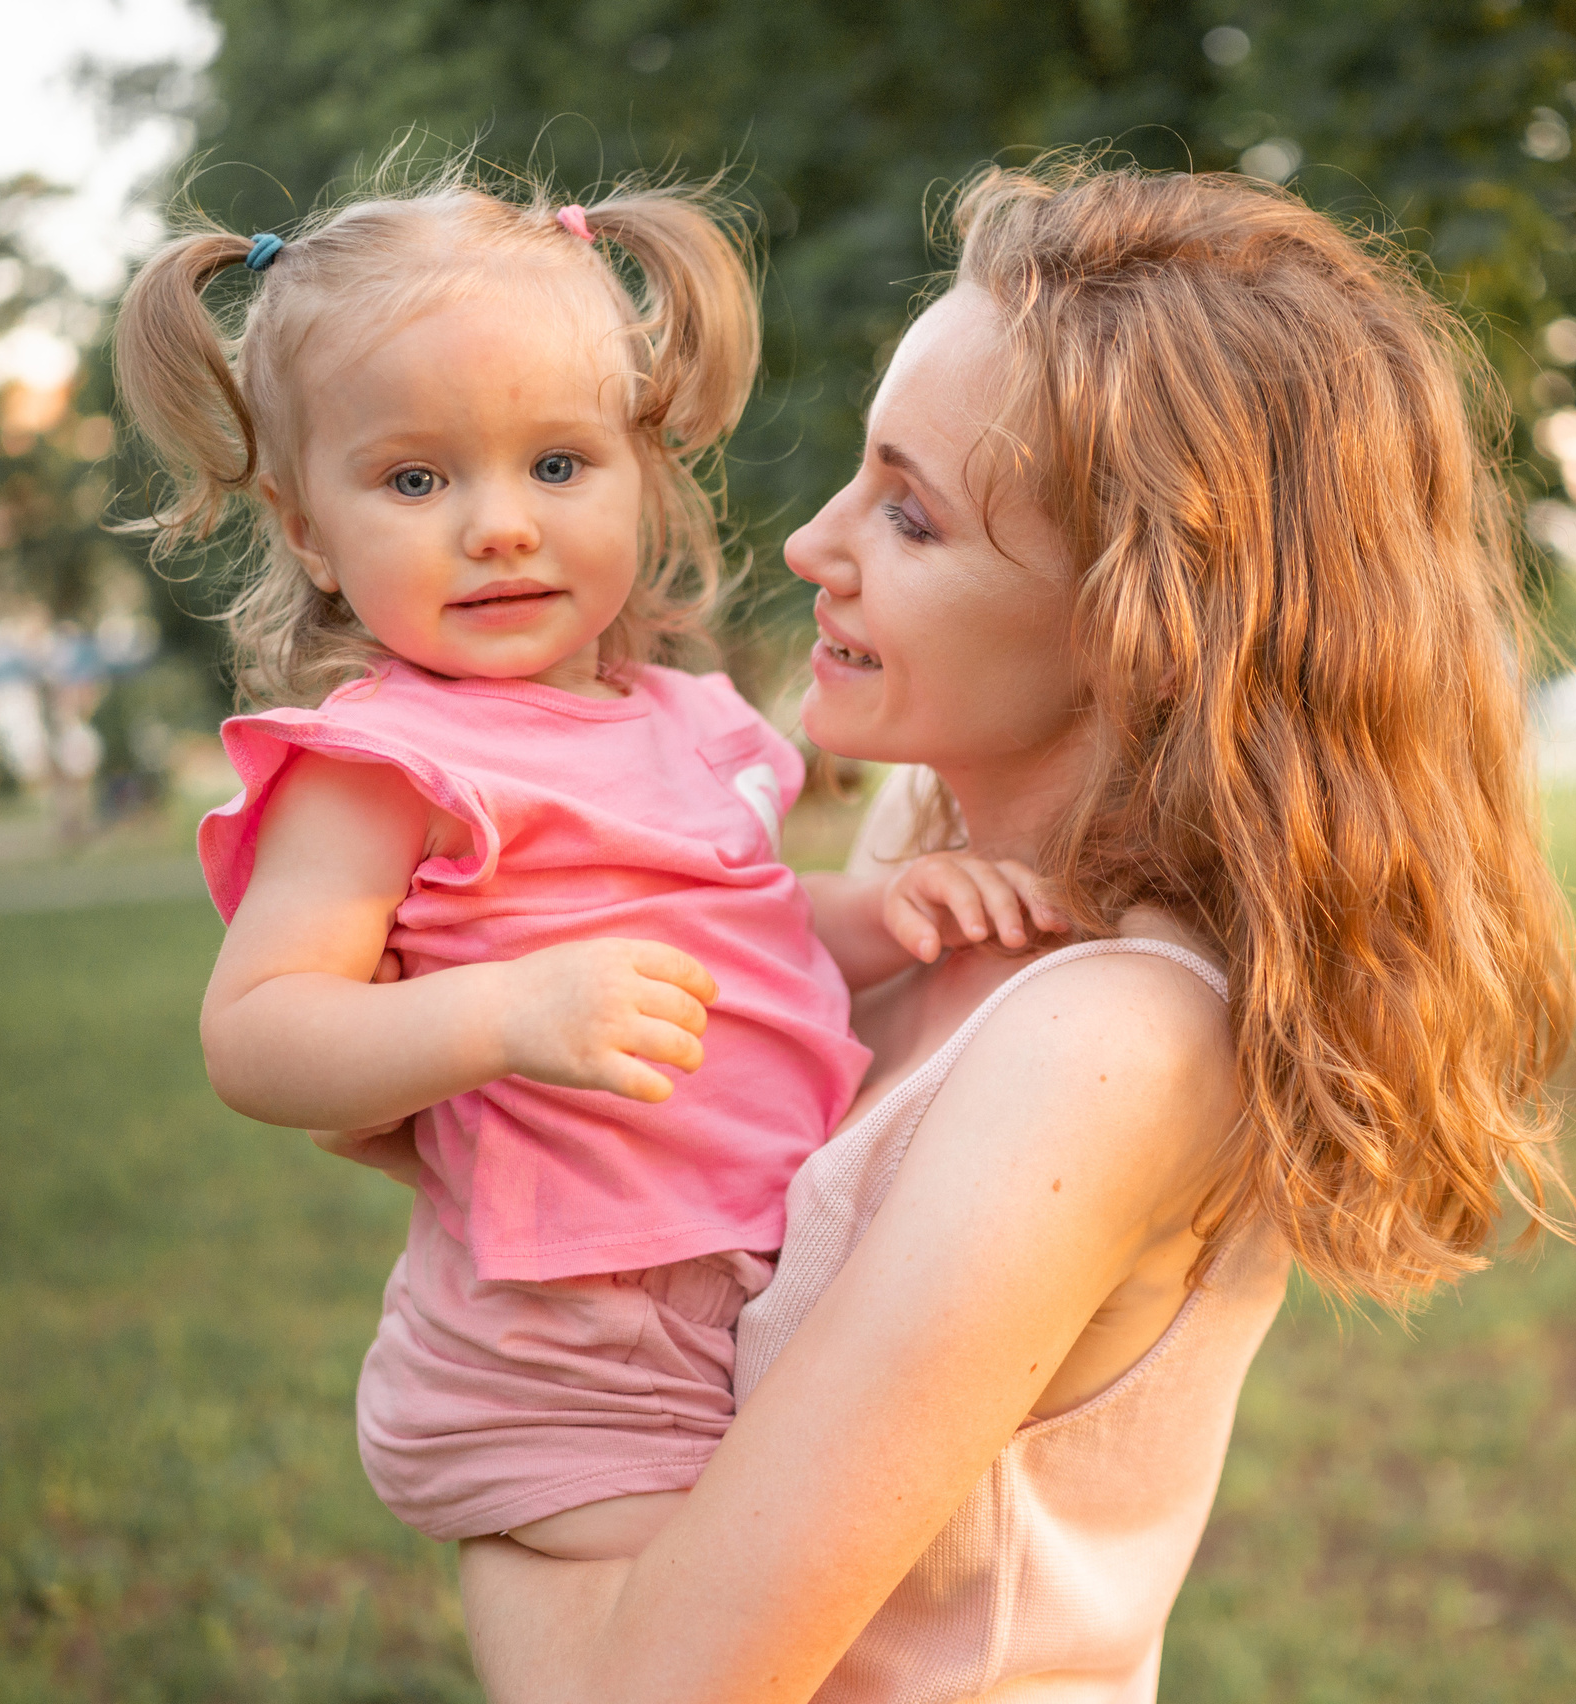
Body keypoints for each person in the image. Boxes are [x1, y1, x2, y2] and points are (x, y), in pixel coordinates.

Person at [321, 157, 1576, 1701]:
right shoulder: (924, 853)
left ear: (1140, 617)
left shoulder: (1111, 1044)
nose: (811, 547)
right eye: (864, 473)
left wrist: (497, 1442)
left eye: (910, 517)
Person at [114, 167, 1051, 1564]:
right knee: (696, 1643)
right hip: (564, 1352)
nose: (499, 524)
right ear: (307, 528)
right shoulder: (383, 764)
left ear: (641, 473)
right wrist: (506, 1014)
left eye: (557, 465)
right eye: (416, 478)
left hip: (737, 1282)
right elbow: (257, 1035)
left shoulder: (685, 717)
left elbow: (740, 931)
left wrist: (879, 911)